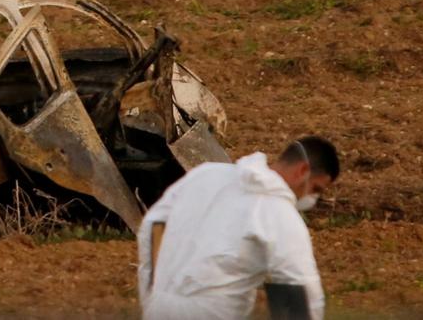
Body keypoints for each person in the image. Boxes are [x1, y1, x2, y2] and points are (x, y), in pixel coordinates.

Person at [136, 136, 341, 320]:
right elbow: (300, 289)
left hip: (160, 307)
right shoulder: (280, 214)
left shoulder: (206, 174)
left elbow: (153, 226)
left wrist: (153, 293)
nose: (311, 199)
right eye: (315, 189)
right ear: (303, 171)